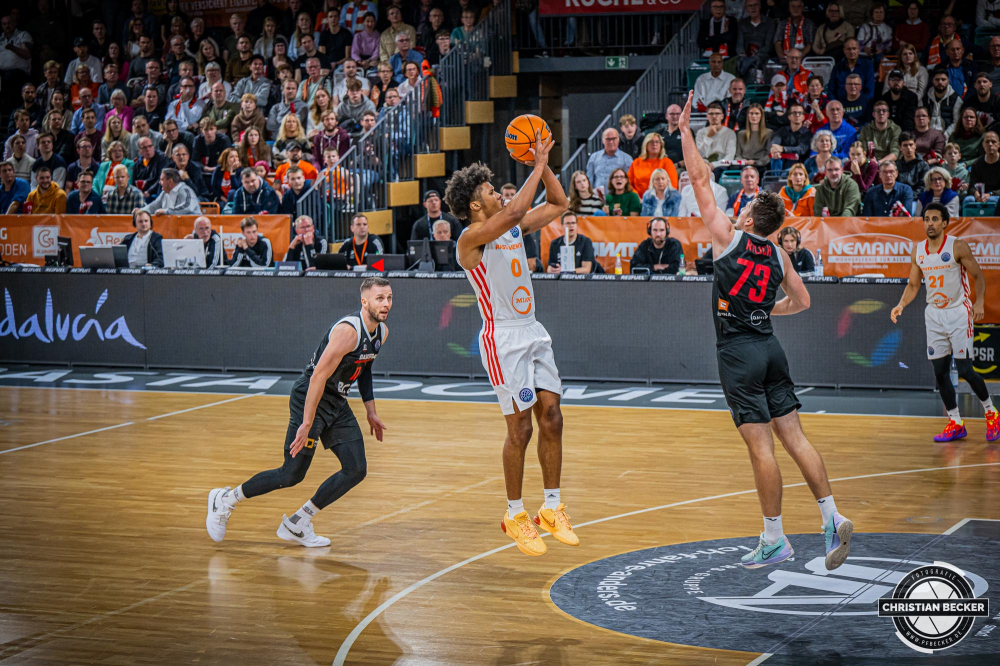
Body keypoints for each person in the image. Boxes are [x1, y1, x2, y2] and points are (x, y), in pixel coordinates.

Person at [678, 90, 853, 571]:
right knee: (795, 438)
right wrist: (767, 311)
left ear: (751, 218)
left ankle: (774, 538)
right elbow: (804, 300)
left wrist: (684, 132)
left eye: (747, 203)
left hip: (738, 353)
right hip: (772, 349)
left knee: (762, 447)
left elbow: (697, 176)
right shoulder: (778, 254)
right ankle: (831, 516)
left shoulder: (728, 239)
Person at [444, 137, 578, 557]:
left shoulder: (512, 224)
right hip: (502, 338)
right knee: (520, 428)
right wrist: (533, 164)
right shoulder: (470, 239)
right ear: (473, 205)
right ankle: (515, 514)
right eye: (487, 189)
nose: (496, 190)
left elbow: (559, 203)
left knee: (552, 417)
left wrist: (545, 165)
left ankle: (551, 508)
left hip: (532, 330)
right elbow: (517, 208)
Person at [206, 276, 392, 546]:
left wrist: (371, 411)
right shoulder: (348, 331)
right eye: (379, 298)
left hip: (336, 403)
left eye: (389, 298)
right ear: (364, 301)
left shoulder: (381, 333)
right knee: (291, 474)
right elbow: (317, 377)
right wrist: (307, 423)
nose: (386, 304)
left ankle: (297, 523)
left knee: (356, 469)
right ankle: (225, 500)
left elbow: (365, 369)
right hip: (310, 398)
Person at [891, 204, 997, 443]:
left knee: (965, 370)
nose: (930, 223)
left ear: (944, 223)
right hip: (934, 315)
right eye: (926, 219)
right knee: (939, 372)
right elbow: (913, 284)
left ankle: (991, 412)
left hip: (958, 313)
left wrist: (979, 303)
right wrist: (901, 305)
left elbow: (978, 276)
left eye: (935, 219)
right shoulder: (918, 250)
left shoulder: (957, 246)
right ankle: (955, 422)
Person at [735, 0, 775, 82]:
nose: (753, 8)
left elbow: (768, 46)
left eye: (755, 5)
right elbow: (739, 44)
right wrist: (743, 55)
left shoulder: (770, 22)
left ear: (760, 6)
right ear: (746, 8)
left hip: (763, 57)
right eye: (750, 6)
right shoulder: (742, 23)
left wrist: (755, 56)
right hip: (746, 58)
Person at [585, 128, 633, 197]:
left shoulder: (627, 159)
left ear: (618, 139)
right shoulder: (594, 157)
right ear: (602, 140)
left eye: (614, 139)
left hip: (617, 199)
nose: (611, 142)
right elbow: (589, 179)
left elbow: (628, 182)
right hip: (597, 198)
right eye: (608, 139)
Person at [769, 102, 811, 170]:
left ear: (803, 117)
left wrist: (783, 149)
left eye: (800, 113)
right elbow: (775, 142)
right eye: (794, 113)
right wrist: (773, 148)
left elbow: (801, 149)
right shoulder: (782, 131)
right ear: (789, 117)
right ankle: (775, 178)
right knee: (775, 157)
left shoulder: (807, 134)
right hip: (782, 163)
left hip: (799, 166)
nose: (797, 115)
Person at [697, 102, 738, 171]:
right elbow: (700, 154)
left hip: (721, 165)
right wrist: (708, 137)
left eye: (717, 114)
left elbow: (729, 157)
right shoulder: (701, 132)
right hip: (704, 164)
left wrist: (714, 165)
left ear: (722, 116)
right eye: (711, 114)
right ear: (707, 116)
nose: (714, 116)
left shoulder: (730, 133)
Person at [925, 66, 963, 137]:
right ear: (932, 81)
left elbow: (956, 122)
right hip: (927, 134)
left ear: (948, 81)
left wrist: (945, 135)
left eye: (943, 79)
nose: (940, 82)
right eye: (937, 80)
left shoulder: (956, 99)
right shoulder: (925, 97)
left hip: (947, 135)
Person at [968, 130, 1000, 202]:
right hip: (981, 196)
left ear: (999, 144)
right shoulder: (976, 164)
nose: (990, 144)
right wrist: (975, 193)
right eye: (987, 142)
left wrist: (991, 194)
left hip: (996, 196)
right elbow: (972, 185)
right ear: (983, 145)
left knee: (991, 200)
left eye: (993, 141)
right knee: (968, 200)